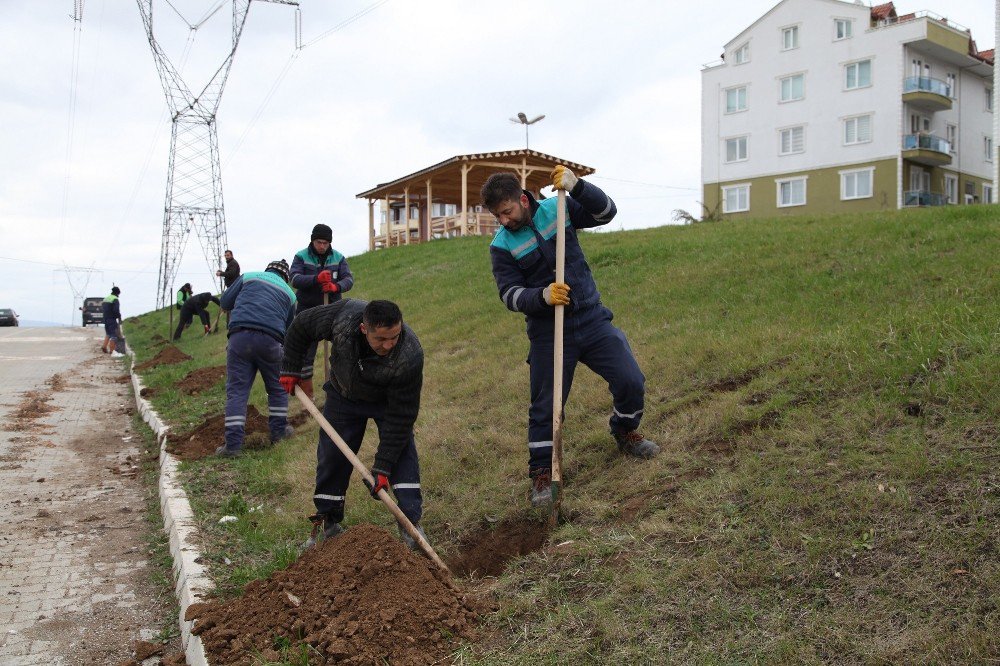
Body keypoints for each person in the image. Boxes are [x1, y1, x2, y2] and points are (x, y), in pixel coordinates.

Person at [481, 167, 659, 508]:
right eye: (496, 215)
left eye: (507, 211)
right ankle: (542, 475)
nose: (503, 220)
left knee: (630, 379)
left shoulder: (557, 208)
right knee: (546, 407)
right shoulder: (501, 246)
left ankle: (624, 431)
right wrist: (542, 296)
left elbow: (606, 212)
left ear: (522, 199)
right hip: (548, 334)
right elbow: (509, 295)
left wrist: (578, 187)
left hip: (591, 319)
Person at [279, 299, 425, 550]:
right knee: (332, 458)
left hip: (387, 402)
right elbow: (301, 325)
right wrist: (291, 368)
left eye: (394, 337)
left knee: (402, 453)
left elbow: (402, 418)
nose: (389, 345)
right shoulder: (343, 318)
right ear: (363, 329)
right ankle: (328, 524)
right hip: (343, 395)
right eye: (381, 339)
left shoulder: (409, 355)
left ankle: (411, 525)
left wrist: (382, 468)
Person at [215, 260, 297, 459]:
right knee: (277, 389)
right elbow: (289, 329)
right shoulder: (290, 294)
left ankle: (233, 446)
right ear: (286, 277)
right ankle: (278, 433)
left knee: (237, 391)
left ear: (267, 270)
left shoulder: (249, 276)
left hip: (239, 338)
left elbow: (225, 302)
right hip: (271, 341)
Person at [288, 223, 354, 397]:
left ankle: (340, 391)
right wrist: (315, 279)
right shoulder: (301, 256)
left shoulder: (338, 258)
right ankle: (308, 395)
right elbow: (294, 278)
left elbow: (349, 279)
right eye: (319, 242)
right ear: (312, 240)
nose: (322, 246)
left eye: (325, 243)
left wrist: (335, 287)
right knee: (306, 352)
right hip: (307, 310)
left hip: (333, 310)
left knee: (341, 347)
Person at [101, 286, 124, 358]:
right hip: (112, 319)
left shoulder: (106, 299)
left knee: (108, 333)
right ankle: (112, 351)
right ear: (117, 293)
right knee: (114, 335)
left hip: (105, 318)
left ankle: (104, 346)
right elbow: (116, 310)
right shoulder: (115, 299)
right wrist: (119, 318)